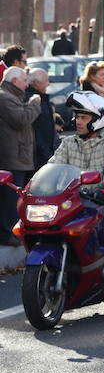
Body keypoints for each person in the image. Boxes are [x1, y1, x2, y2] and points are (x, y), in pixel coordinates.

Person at [47, 92, 104, 287]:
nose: (77, 121)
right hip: (73, 201)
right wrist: (39, 184)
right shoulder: (68, 143)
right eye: (77, 117)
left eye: (83, 117)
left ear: (97, 120)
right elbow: (53, 165)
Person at [0, 67, 42, 247]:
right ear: (14, 81)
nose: (27, 84)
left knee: (15, 198)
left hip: (18, 156)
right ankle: (6, 233)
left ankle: (12, 231)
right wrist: (34, 104)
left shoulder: (11, 96)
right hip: (12, 158)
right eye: (24, 80)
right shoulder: (4, 97)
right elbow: (21, 119)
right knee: (9, 199)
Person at [26, 68, 61, 171]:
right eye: (46, 81)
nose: (49, 84)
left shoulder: (42, 98)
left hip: (45, 153)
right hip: (38, 156)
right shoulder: (32, 99)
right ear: (36, 83)